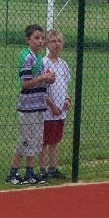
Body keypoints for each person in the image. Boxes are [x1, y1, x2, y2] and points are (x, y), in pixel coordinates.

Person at [5, 24, 55, 185]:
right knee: (25, 141)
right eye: (36, 38)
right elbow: (25, 83)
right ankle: (12, 173)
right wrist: (42, 78)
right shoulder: (27, 58)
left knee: (36, 141)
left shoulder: (39, 58)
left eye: (42, 38)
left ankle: (29, 172)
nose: (40, 41)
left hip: (38, 105)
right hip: (28, 106)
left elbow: (41, 81)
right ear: (28, 40)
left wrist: (49, 79)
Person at [38, 29, 71, 180]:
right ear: (46, 44)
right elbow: (42, 90)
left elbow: (65, 86)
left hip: (60, 110)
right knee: (44, 140)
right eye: (53, 41)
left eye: (59, 41)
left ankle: (52, 167)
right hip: (47, 110)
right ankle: (42, 169)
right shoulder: (44, 63)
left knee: (54, 140)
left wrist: (67, 99)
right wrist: (52, 106)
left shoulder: (63, 65)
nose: (57, 44)